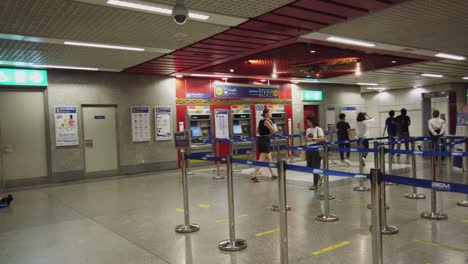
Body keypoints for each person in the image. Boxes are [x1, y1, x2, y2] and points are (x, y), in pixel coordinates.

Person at [251, 109, 277, 182]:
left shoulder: (261, 121)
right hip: (265, 140)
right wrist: (272, 126)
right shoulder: (267, 121)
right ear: (266, 114)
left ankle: (273, 174)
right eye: (269, 112)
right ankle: (254, 175)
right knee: (261, 159)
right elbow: (273, 130)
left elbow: (257, 131)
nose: (271, 113)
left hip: (262, 139)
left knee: (268, 159)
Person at [305, 115, 326, 190]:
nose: (307, 123)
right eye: (307, 121)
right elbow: (307, 139)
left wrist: (312, 139)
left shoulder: (318, 129)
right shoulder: (308, 130)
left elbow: (322, 138)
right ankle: (319, 177)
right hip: (309, 150)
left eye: (308, 121)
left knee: (315, 167)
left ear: (312, 121)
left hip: (316, 150)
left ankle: (315, 184)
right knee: (309, 166)